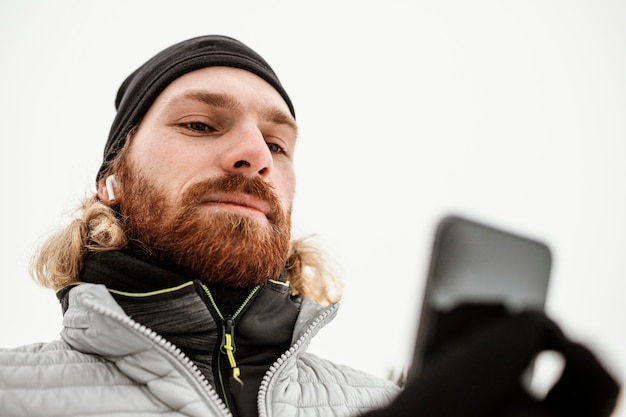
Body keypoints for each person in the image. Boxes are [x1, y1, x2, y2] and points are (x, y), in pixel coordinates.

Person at [0, 35, 620, 417]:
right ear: (112, 180)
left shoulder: (380, 405)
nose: (256, 155)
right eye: (200, 125)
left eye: (278, 142)